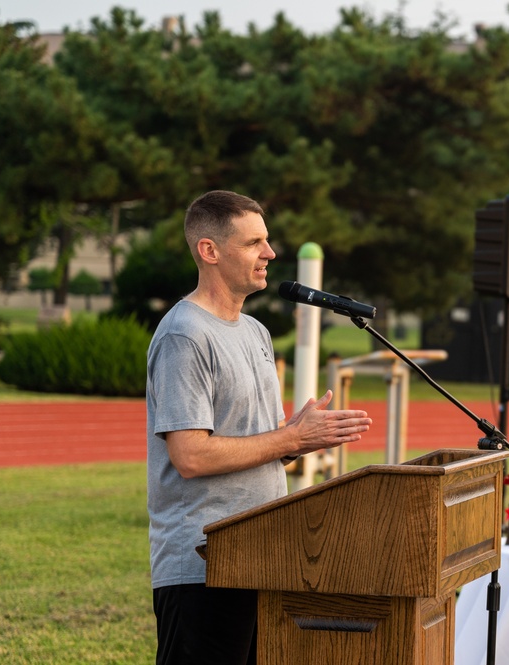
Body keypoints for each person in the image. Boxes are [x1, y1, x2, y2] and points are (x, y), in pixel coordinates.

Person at [145, 190, 372, 664]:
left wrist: (300, 438)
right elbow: (190, 455)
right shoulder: (184, 336)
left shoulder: (255, 332)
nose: (269, 254)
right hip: (201, 568)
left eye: (267, 241)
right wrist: (291, 437)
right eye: (254, 243)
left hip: (264, 559)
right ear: (210, 251)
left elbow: (256, 443)